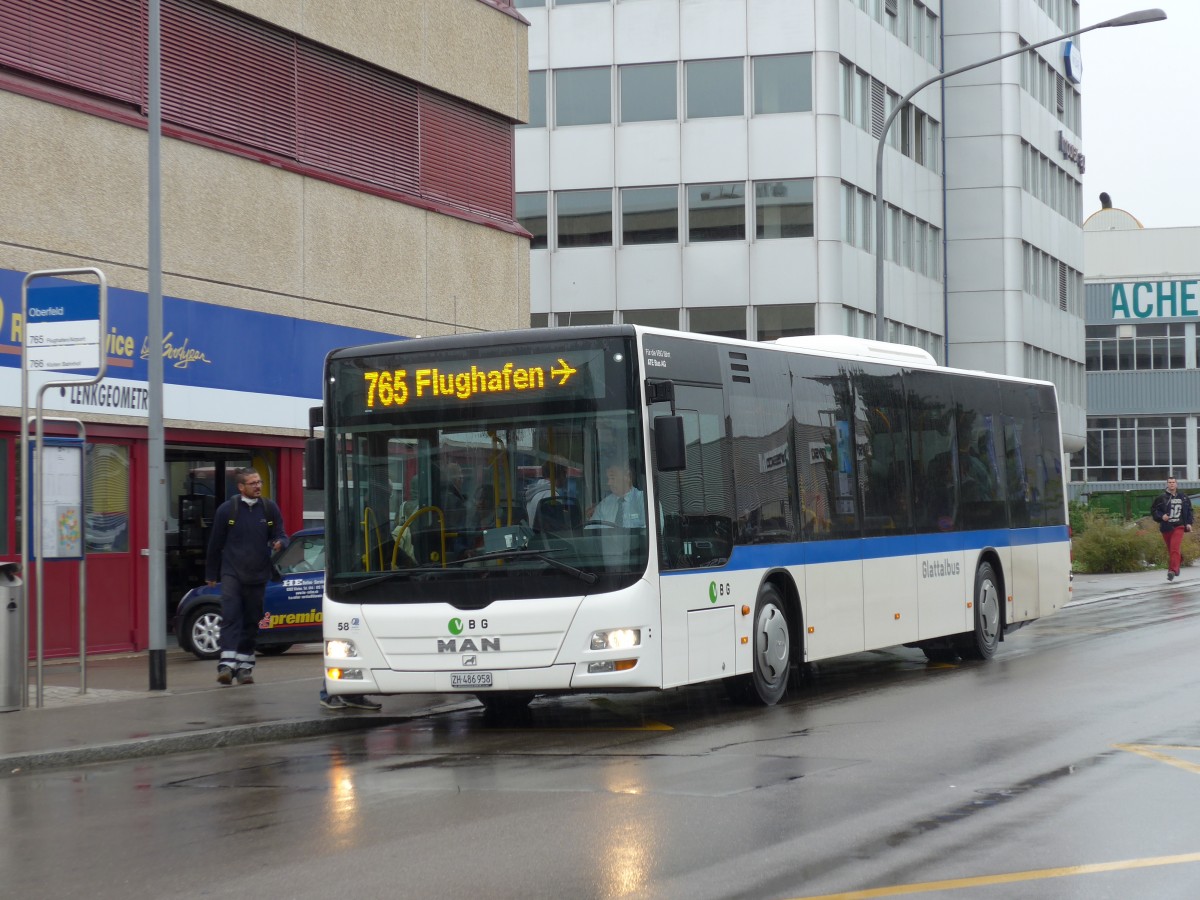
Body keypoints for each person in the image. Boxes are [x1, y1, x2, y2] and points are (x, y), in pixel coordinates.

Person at [205, 468, 288, 685]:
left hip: (258, 574)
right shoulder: (227, 510)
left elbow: (281, 533)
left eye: (259, 482)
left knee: (252, 620)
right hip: (231, 572)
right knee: (231, 615)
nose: (258, 486)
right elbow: (215, 544)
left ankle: (244, 667)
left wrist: (281, 543)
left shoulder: (269, 509)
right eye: (252, 483)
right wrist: (211, 573)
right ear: (241, 487)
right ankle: (226, 666)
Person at [1150, 475, 1193, 581]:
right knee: (1172, 550)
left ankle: (1172, 571)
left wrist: (1188, 523)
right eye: (1169, 482)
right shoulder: (1161, 498)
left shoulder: (1183, 497)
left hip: (1179, 526)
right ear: (1167, 484)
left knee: (1174, 548)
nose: (1171, 484)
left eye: (1173, 482)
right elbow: (1154, 510)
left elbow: (1189, 511)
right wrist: (1161, 516)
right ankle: (1179, 561)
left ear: (1176, 484)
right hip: (1166, 527)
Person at [588, 460, 645, 527]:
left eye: (612, 478)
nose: (609, 483)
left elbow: (653, 529)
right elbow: (590, 530)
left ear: (628, 477)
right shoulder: (604, 505)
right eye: (608, 479)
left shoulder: (644, 500)